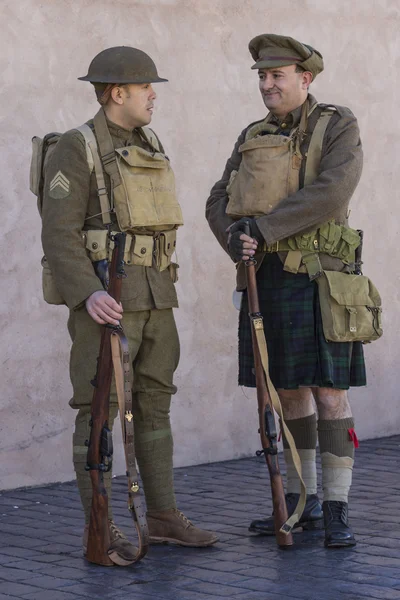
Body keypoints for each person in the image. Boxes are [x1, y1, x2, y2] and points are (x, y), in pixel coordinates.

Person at [41, 46, 218, 564]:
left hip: (157, 295)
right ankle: (101, 525)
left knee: (156, 401)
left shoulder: (149, 141)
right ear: (117, 93)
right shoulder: (77, 148)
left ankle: (162, 516)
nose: (153, 96)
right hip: (107, 300)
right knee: (98, 410)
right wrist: (86, 292)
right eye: (146, 88)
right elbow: (59, 232)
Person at [206, 34, 365, 548]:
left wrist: (263, 229)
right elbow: (218, 196)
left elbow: (333, 190)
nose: (267, 85)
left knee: (330, 393)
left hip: (323, 279)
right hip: (267, 277)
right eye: (261, 76)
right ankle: (304, 501)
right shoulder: (252, 134)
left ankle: (337, 509)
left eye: (277, 76)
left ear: (305, 78)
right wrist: (236, 238)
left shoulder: (337, 125)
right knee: (289, 392)